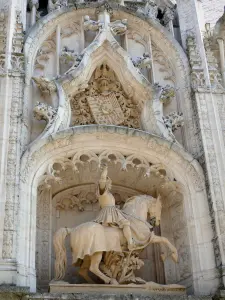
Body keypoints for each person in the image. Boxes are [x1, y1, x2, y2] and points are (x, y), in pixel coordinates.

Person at [94, 164, 134, 250]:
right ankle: (130, 242)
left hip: (112, 211)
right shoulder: (102, 192)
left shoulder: (108, 194)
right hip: (108, 212)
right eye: (109, 183)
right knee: (126, 223)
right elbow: (102, 181)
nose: (110, 184)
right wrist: (105, 171)